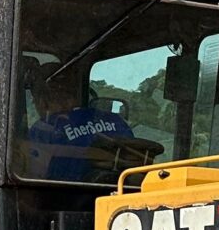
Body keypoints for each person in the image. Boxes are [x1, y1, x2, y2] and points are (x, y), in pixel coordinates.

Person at [20, 64, 160, 183]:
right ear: (75, 95)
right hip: (122, 197)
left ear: (42, 102)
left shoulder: (43, 130)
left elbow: (32, 178)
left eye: (34, 101)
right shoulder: (116, 121)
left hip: (65, 200)